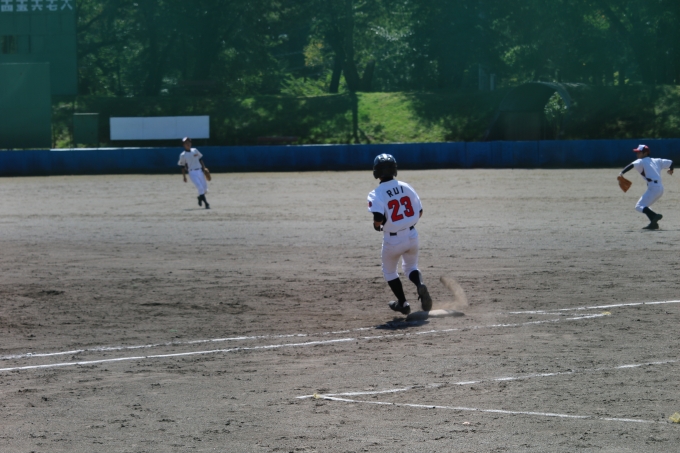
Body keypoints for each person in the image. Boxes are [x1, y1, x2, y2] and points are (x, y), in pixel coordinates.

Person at [367, 154, 432, 315]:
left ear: (376, 172)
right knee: (411, 267)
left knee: (389, 272)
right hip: (412, 235)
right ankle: (420, 284)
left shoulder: (376, 193)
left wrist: (376, 226)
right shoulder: (406, 186)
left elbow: (378, 218)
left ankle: (403, 303)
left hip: (393, 240)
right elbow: (420, 211)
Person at [619, 144, 673, 230]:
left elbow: (631, 165)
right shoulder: (656, 160)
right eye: (637, 152)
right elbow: (670, 162)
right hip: (660, 188)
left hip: (653, 188)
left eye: (639, 152)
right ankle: (653, 224)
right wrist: (671, 169)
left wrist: (621, 173)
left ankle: (655, 216)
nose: (637, 154)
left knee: (638, 206)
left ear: (645, 153)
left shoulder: (641, 161)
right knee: (645, 206)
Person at [178, 137, 210, 209]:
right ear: (183, 145)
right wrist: (184, 177)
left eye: (189, 142)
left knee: (205, 190)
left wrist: (204, 168)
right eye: (186, 143)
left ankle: (200, 197)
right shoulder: (183, 155)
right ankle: (206, 203)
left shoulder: (195, 150)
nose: (188, 144)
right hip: (192, 172)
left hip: (200, 171)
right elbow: (182, 166)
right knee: (200, 187)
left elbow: (200, 159)